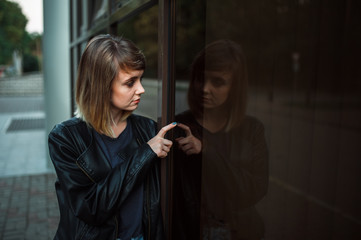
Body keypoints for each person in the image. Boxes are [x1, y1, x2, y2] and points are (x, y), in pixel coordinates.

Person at [48, 34, 176, 240]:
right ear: (102, 86)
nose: (141, 89)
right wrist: (145, 153)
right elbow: (90, 208)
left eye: (140, 79)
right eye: (130, 82)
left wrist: (200, 147)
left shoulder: (149, 130)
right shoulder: (65, 138)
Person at [172, 39, 269, 239]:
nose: (205, 88)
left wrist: (207, 150)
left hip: (239, 232)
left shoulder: (252, 130)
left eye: (217, 82)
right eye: (200, 78)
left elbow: (254, 190)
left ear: (235, 87)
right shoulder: (179, 126)